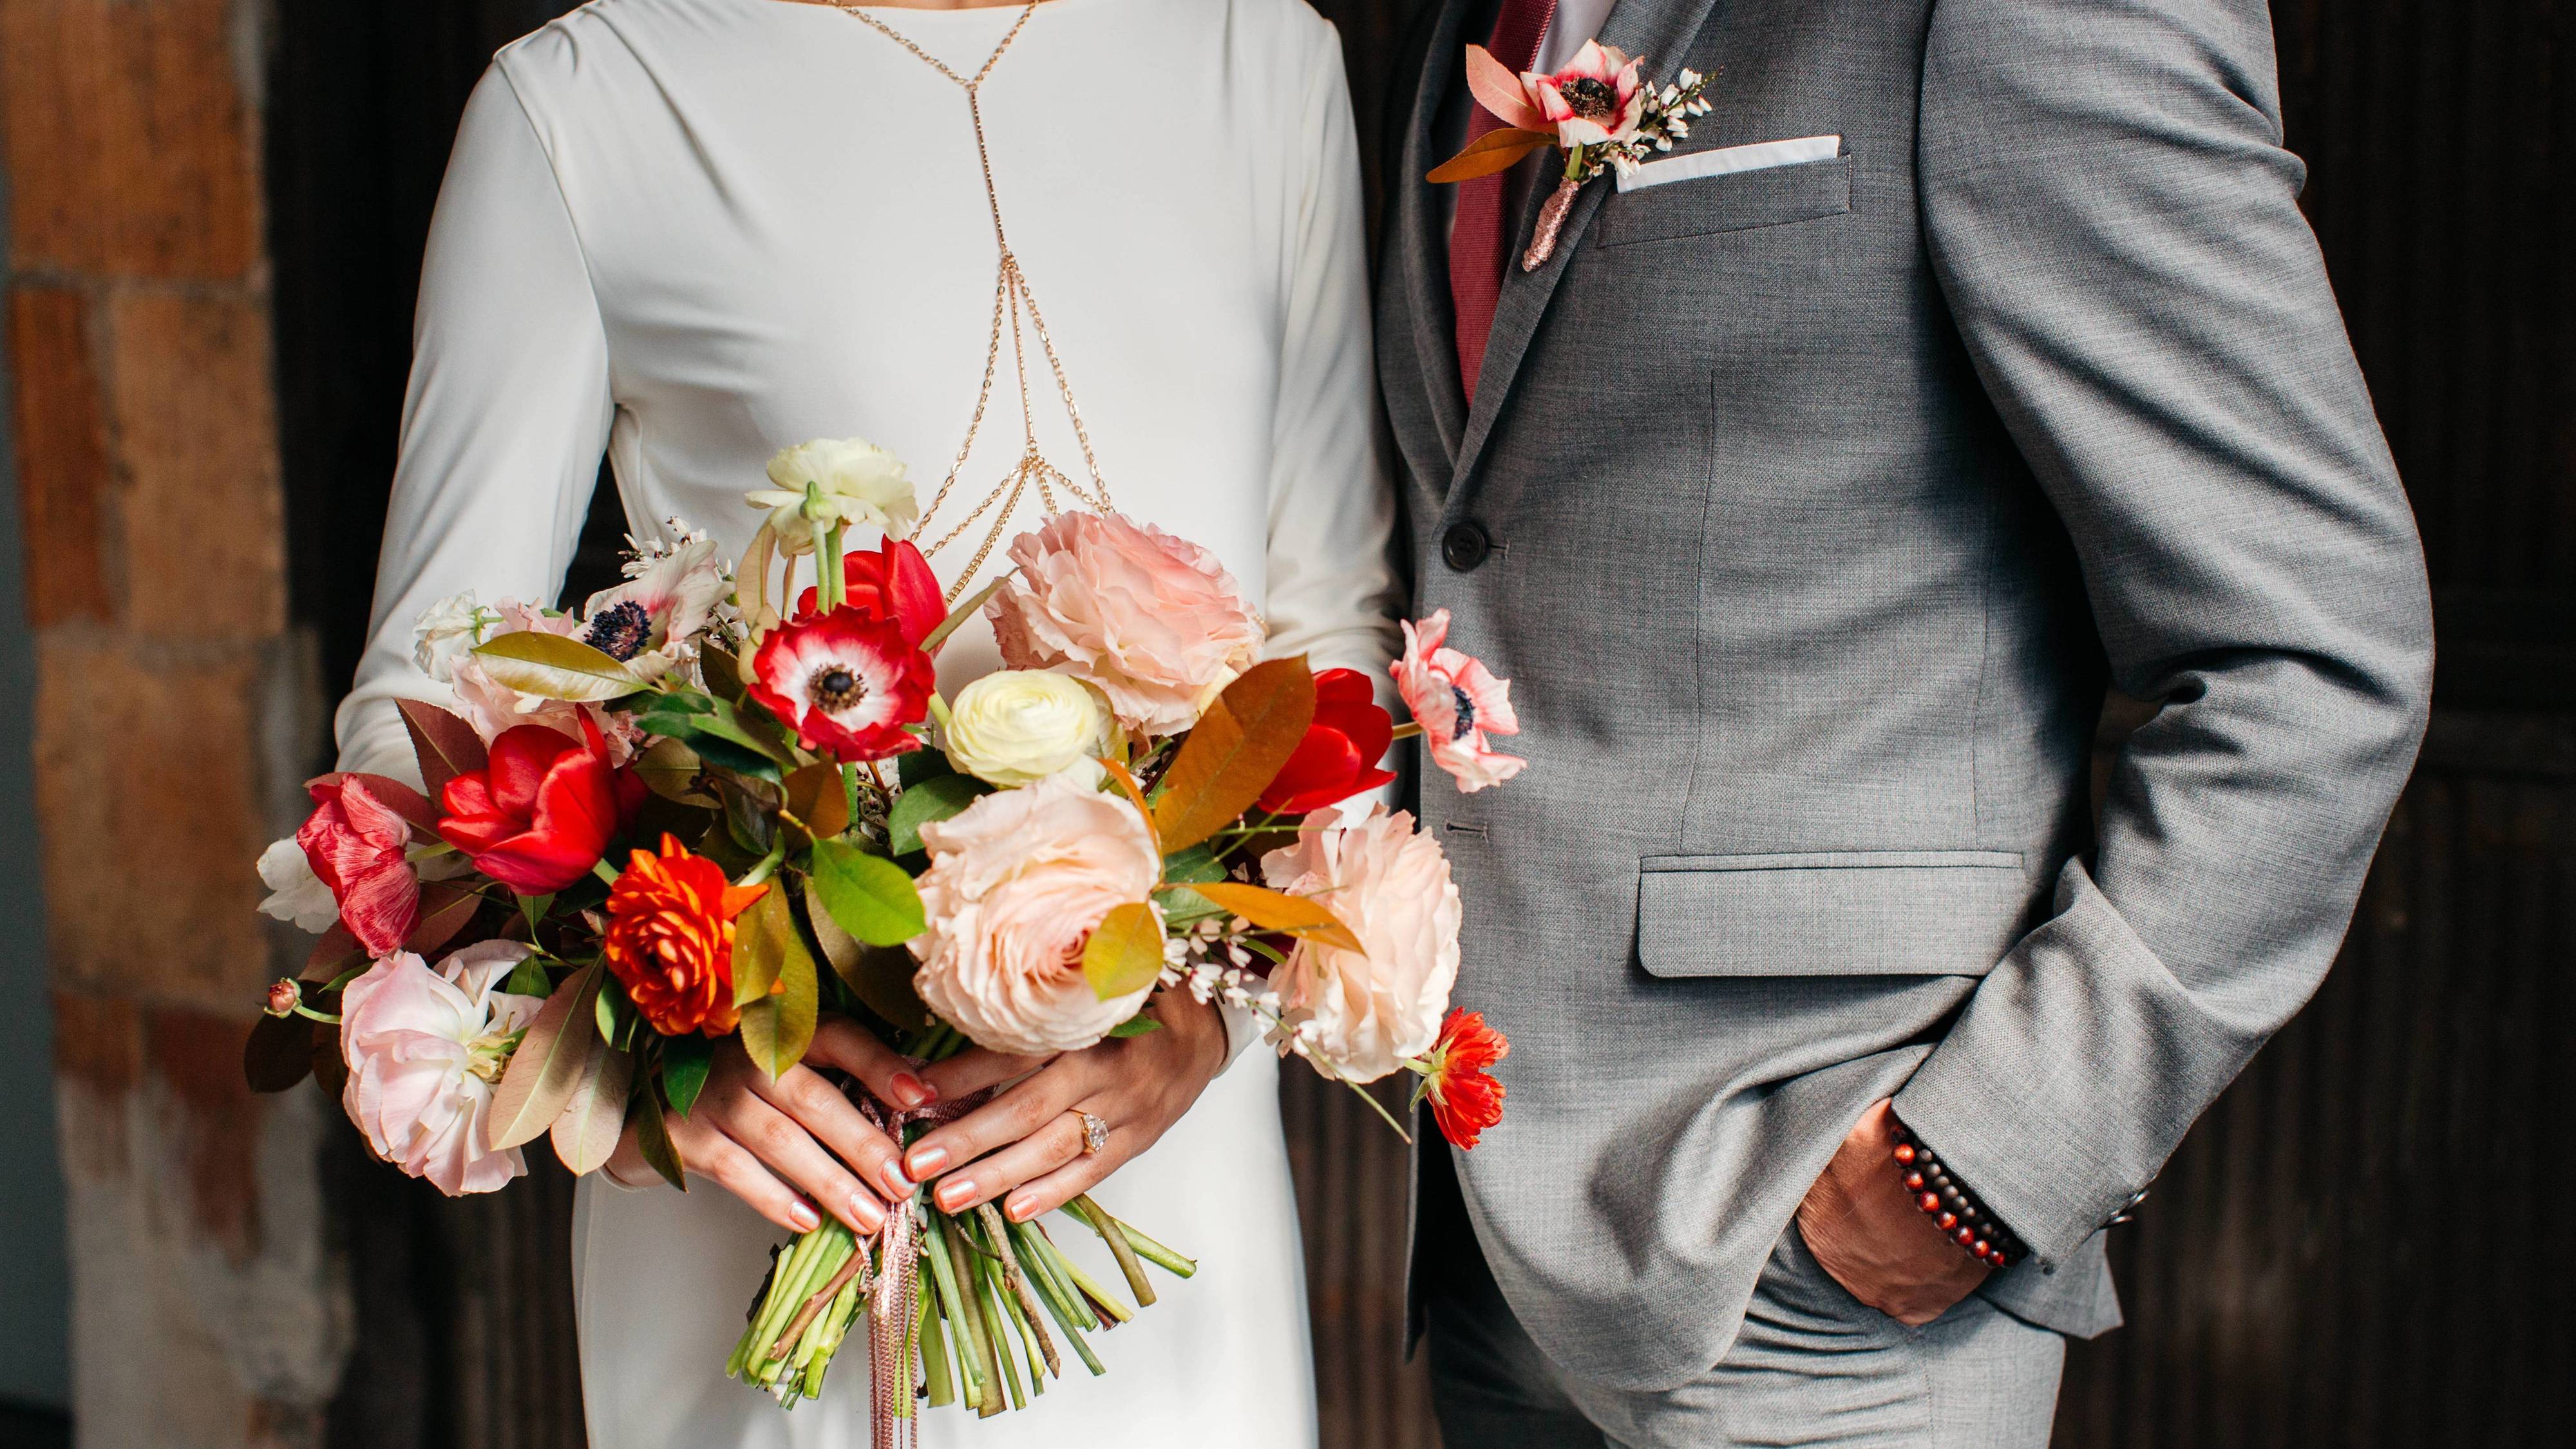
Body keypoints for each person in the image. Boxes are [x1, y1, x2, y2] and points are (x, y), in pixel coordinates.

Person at [332, 0, 1399, 1443]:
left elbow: (1325, 637)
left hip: (1162, 1172)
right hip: (781, 1177)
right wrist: (662, 1068)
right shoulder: (587, 104)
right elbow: (423, 717)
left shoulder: (1257, 55)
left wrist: (1200, 1022)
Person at [1376, 0, 2434, 1444]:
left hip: (1824, 1254)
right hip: (1485, 1218)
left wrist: (1977, 1164)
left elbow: (2314, 649)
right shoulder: (1461, 26)